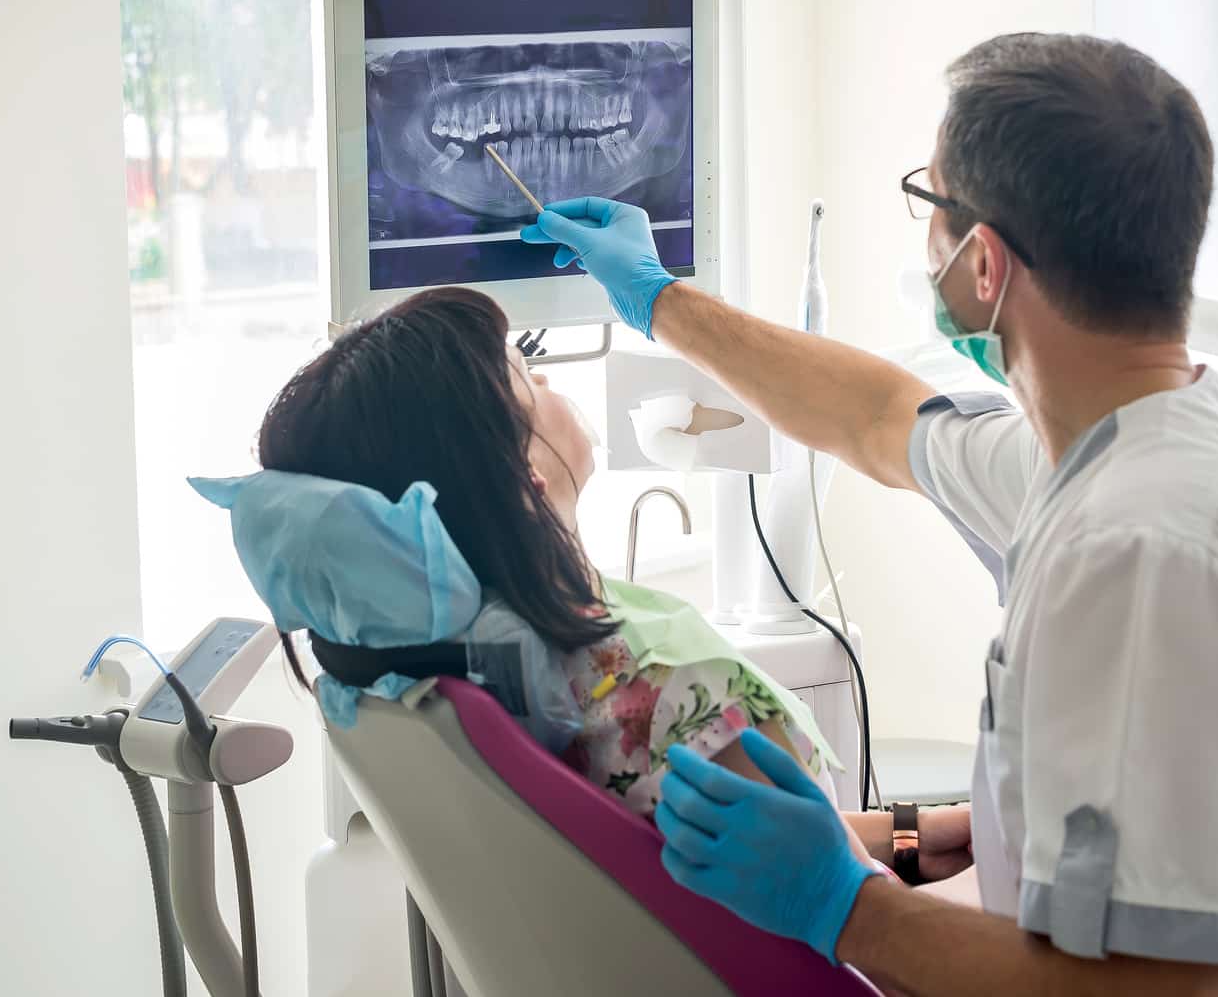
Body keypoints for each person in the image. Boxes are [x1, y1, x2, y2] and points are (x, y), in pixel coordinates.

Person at [519, 32, 1218, 995]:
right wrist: (660, 300)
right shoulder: (1125, 443)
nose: (927, 235)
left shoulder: (1144, 546)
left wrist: (848, 905)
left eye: (932, 202)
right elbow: (874, 415)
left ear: (985, 264)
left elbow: (1160, 987)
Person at [248, 283, 974, 880]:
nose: (550, 380)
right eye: (528, 378)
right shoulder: (674, 697)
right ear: (525, 480)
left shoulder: (504, 689)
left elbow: (740, 841)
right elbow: (868, 924)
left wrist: (917, 833)